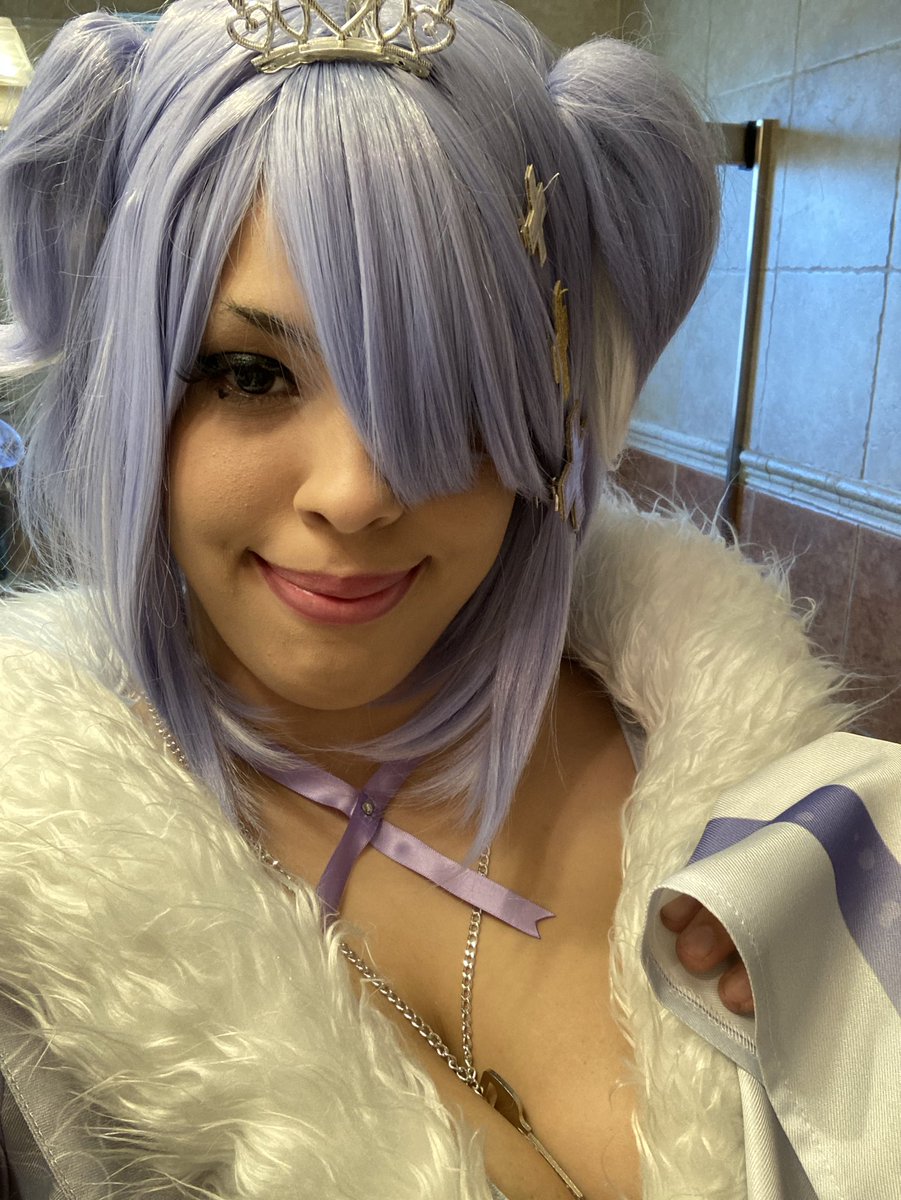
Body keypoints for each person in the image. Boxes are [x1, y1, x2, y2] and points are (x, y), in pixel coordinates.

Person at [0, 2, 856, 1197]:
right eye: (250, 373)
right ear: (133, 392)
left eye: (450, 385)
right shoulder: (29, 899)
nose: (358, 493)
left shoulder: (775, 796)